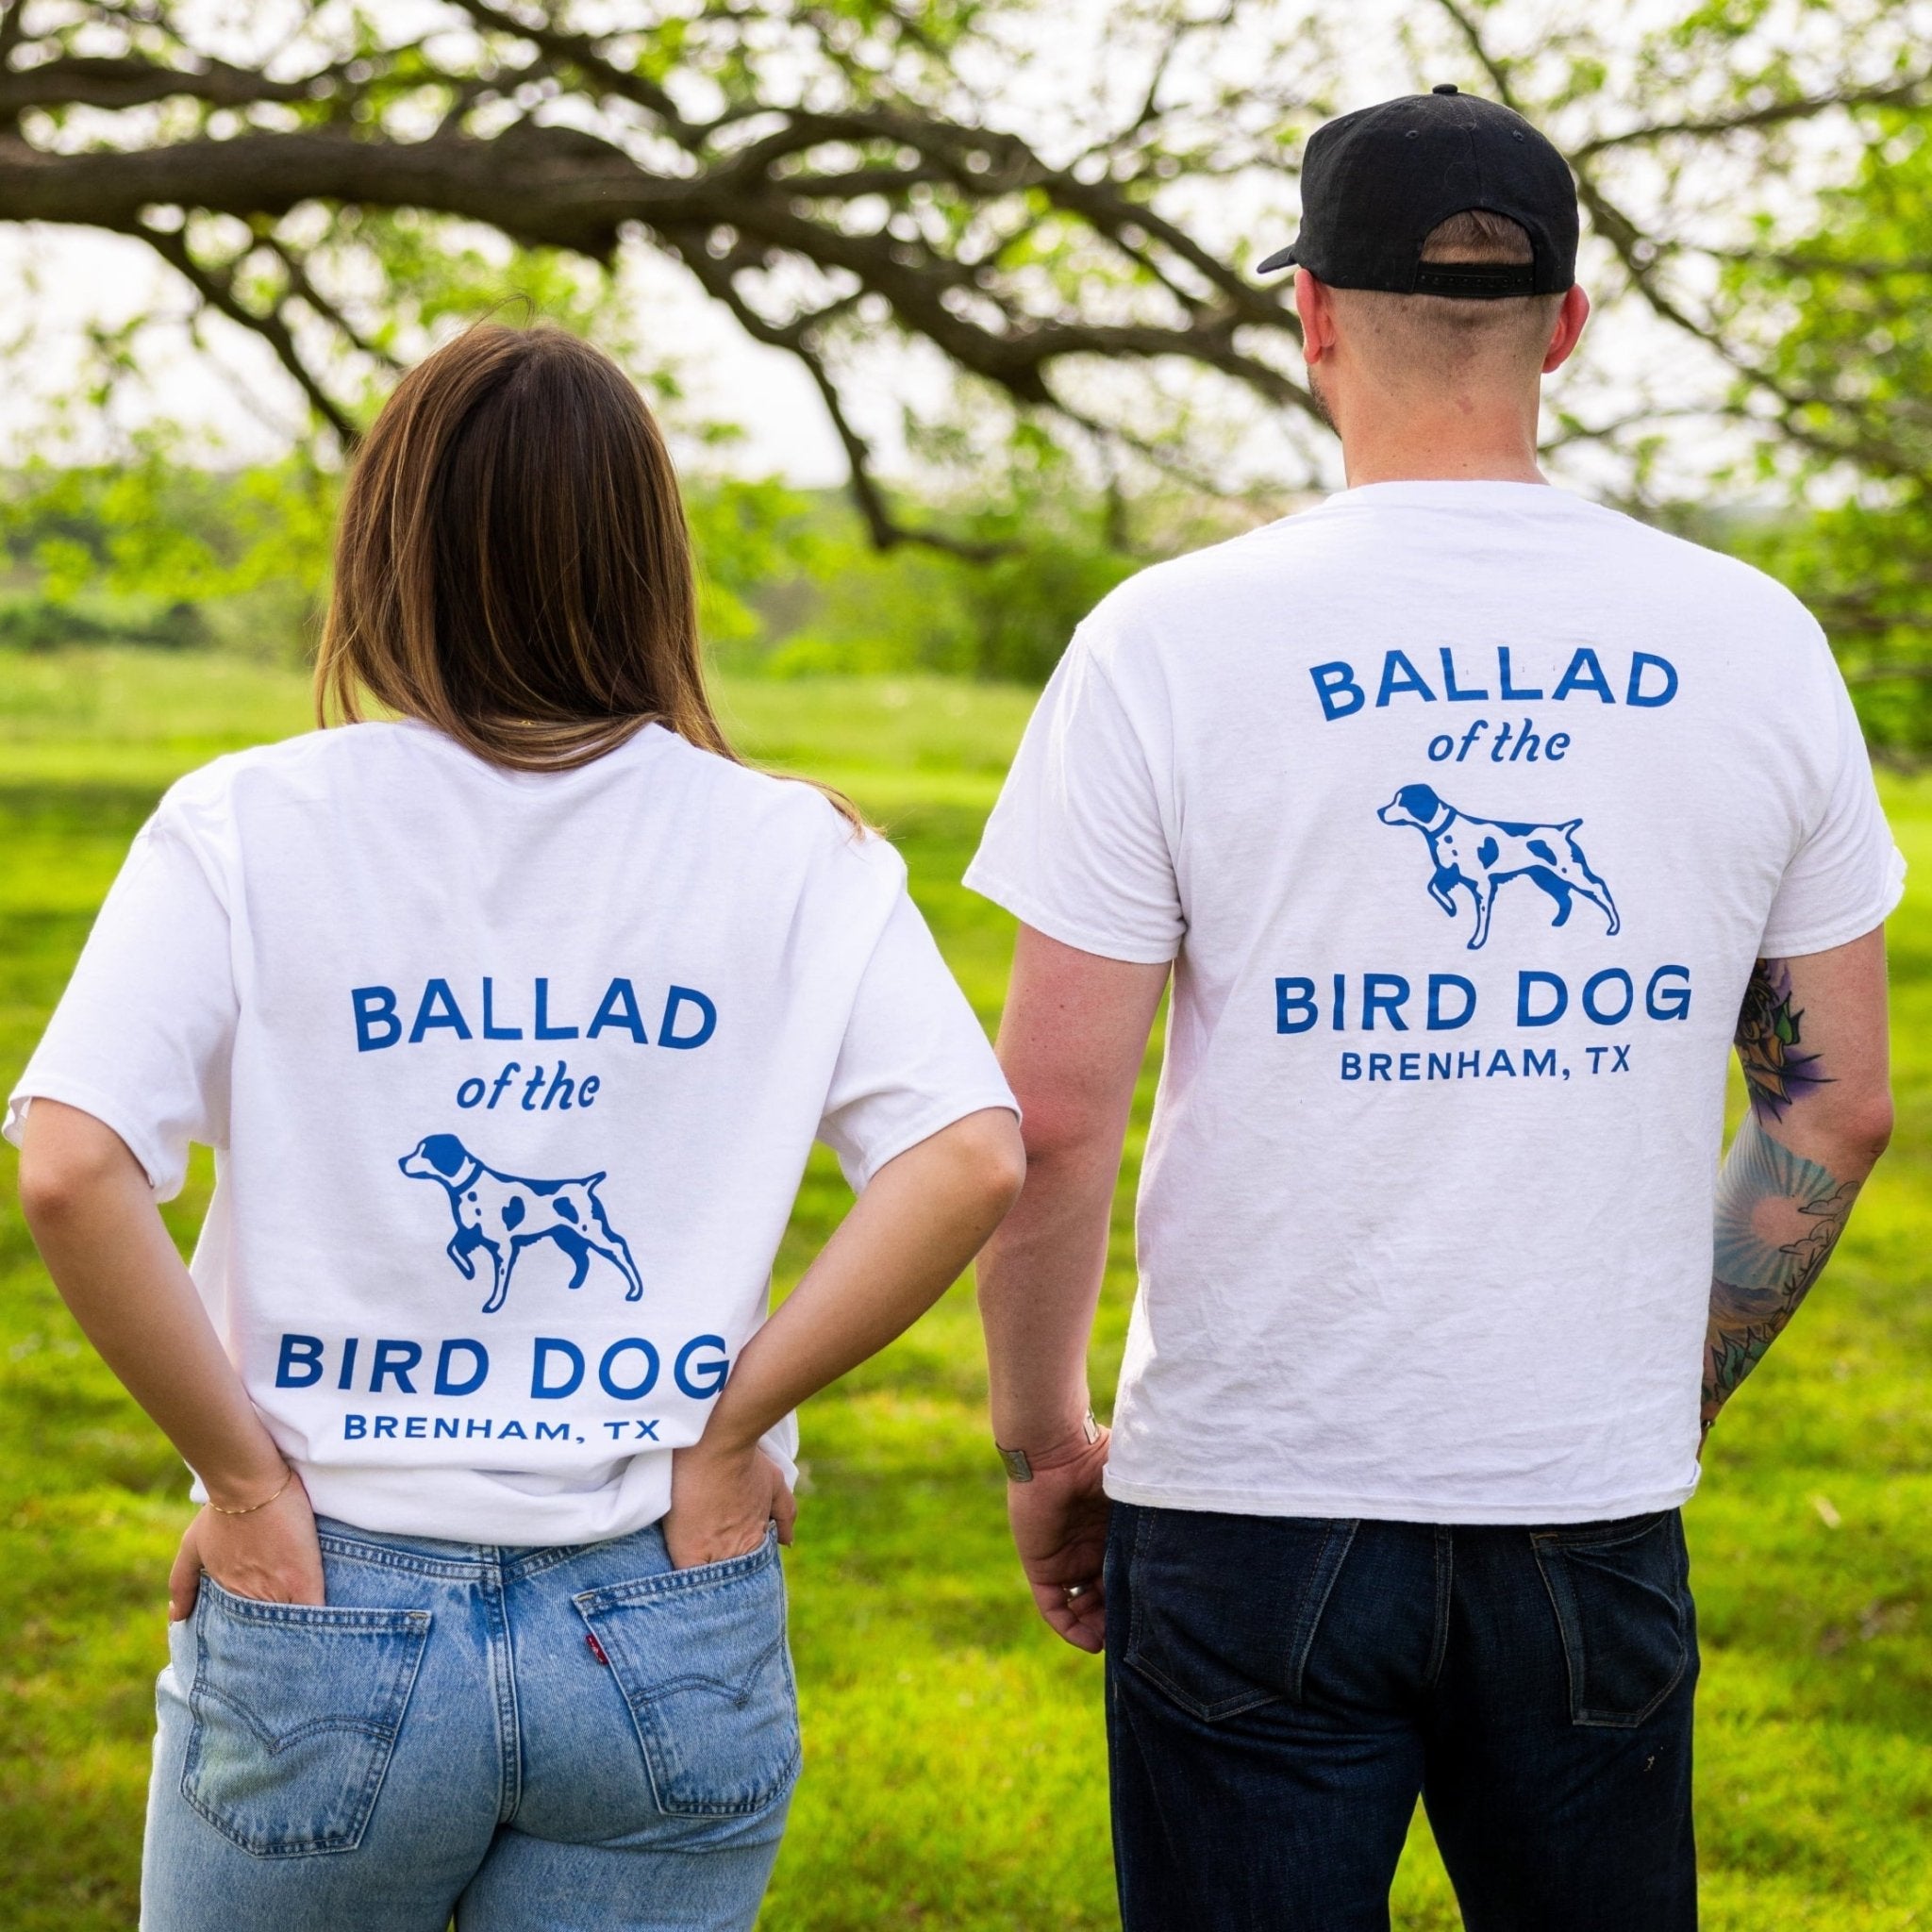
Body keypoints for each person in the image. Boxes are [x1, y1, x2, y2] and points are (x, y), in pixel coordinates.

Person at [966, 87, 1900, 1931]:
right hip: (1587, 1496)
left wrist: (1037, 1441)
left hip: (1247, 1495)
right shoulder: (1753, 635)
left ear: (1308, 315)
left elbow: (1055, 1117)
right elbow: (1834, 1097)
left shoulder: (1166, 640)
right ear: (1563, 323)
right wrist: (1662, 1376)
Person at [9, 321, 1024, 1932]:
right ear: (649, 566)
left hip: (330, 1584)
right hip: (664, 1595)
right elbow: (969, 1156)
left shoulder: (246, 825)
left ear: (384, 551)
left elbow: (69, 1164)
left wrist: (247, 1486)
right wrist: (727, 1421)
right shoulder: (790, 848)